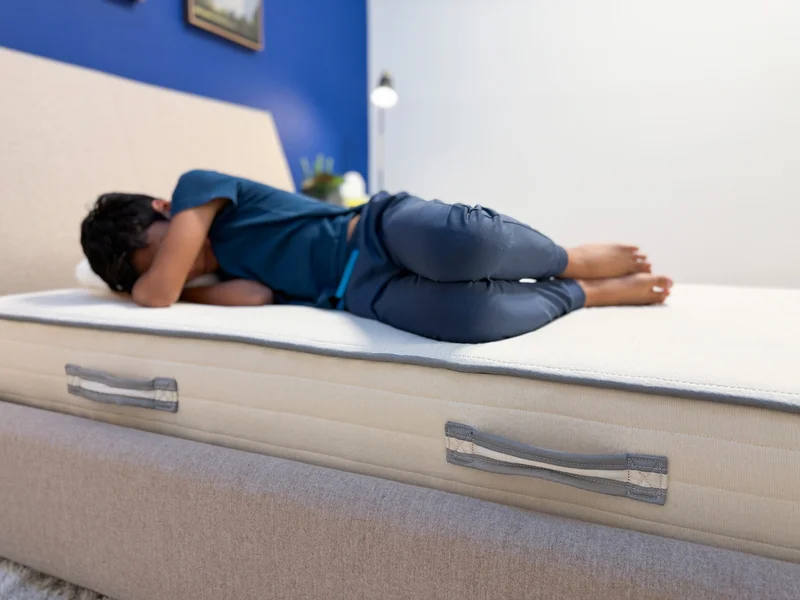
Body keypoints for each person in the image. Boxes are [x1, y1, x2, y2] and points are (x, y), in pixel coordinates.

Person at [80, 169, 672, 344]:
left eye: (163, 254)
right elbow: (255, 296)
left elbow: (155, 292)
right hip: (354, 291)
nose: (177, 267)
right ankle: (584, 294)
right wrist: (187, 282)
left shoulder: (197, 189)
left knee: (463, 243)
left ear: (165, 209)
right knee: (466, 320)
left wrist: (159, 283)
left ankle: (567, 259)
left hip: (369, 230)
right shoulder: (209, 276)